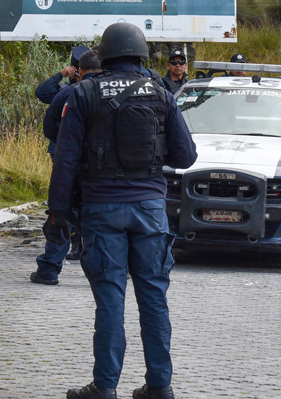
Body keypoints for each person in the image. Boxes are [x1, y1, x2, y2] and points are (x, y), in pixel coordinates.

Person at [47, 23, 197, 399]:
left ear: (105, 55)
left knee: (111, 297)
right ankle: (159, 386)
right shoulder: (160, 93)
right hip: (150, 209)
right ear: (141, 55)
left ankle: (104, 386)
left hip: (102, 209)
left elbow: (65, 160)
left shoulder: (83, 93)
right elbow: (186, 157)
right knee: (153, 297)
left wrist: (57, 213)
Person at [29, 50, 102, 285]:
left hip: (68, 166)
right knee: (103, 217)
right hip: (104, 168)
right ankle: (109, 270)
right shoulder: (118, 92)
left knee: (61, 214)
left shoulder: (69, 93)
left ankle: (49, 269)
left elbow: (49, 129)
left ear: (80, 71)